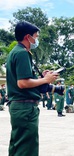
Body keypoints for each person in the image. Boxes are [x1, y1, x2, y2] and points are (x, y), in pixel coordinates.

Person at [6, 21, 58, 156]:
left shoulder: (16, 52)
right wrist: (46, 80)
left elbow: (26, 80)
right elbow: (22, 83)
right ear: (28, 37)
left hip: (19, 107)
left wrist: (42, 77)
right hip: (25, 108)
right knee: (27, 149)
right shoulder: (22, 53)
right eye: (36, 36)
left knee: (18, 146)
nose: (37, 39)